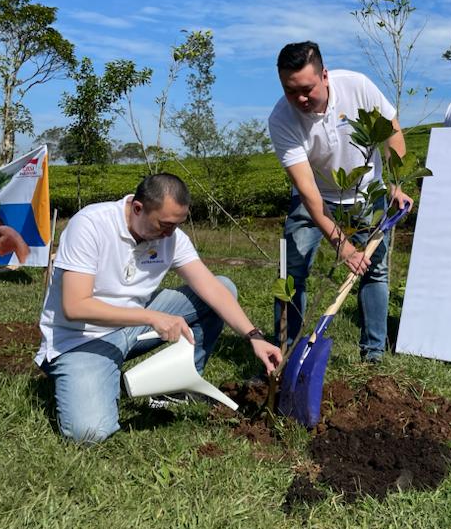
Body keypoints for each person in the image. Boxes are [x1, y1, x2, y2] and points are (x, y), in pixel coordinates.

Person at [35, 173, 281, 444]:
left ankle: (176, 387)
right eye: (164, 224)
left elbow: (211, 289)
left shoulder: (171, 237)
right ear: (138, 208)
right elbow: (75, 306)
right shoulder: (91, 224)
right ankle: (91, 375)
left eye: (177, 225)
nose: (170, 233)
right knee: (89, 433)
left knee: (223, 287)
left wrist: (254, 336)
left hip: (134, 325)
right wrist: (151, 316)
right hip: (82, 340)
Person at [268, 41, 413, 363]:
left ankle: (373, 354)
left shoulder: (357, 87)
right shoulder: (281, 119)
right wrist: (343, 246)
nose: (300, 99)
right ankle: (288, 352)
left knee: (374, 271)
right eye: (290, 91)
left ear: (325, 76)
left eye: (307, 89)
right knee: (291, 274)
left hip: (365, 194)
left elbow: (391, 131)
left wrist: (396, 182)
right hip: (317, 198)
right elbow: (308, 195)